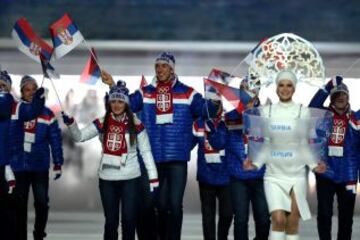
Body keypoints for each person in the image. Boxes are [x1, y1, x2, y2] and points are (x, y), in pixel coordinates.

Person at [101, 52, 218, 240]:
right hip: (152, 159)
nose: (160, 69)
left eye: (164, 66)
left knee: (173, 206)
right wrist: (113, 85)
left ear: (172, 69)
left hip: (177, 159)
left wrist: (215, 97)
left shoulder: (188, 93)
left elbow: (206, 110)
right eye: (157, 66)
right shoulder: (145, 92)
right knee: (148, 204)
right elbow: (123, 104)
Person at [62, 80, 158, 240]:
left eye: (120, 101)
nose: (116, 104)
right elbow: (79, 137)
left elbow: (146, 151)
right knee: (111, 223)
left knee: (129, 222)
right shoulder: (101, 122)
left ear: (126, 103)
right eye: (113, 101)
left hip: (130, 179)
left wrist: (153, 177)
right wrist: (71, 124)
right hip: (107, 180)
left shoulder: (137, 124)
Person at [244, 70, 326, 240]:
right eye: (281, 85)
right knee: (278, 220)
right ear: (276, 88)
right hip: (273, 176)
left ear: (294, 88)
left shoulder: (302, 111)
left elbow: (303, 144)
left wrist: (313, 165)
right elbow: (266, 144)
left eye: (289, 85)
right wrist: (256, 164)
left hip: (297, 176)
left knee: (292, 222)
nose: (285, 89)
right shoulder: (267, 112)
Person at [208, 76, 270, 240]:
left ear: (257, 92)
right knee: (241, 220)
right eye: (243, 90)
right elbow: (218, 144)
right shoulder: (230, 116)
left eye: (251, 90)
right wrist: (213, 127)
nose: (247, 94)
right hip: (238, 177)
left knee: (263, 219)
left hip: (260, 176)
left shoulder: (266, 115)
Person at [10, 75, 63, 240]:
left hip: (40, 166)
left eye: (34, 89)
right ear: (21, 92)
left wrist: (58, 162)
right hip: (19, 166)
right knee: (19, 205)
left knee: (41, 203)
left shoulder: (47, 114)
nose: (31, 93)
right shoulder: (15, 111)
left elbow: (55, 139)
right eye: (27, 89)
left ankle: (39, 234)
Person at [309, 76, 360, 240]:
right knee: (324, 214)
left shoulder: (356, 119)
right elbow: (312, 105)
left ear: (348, 98)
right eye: (336, 95)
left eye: (343, 95)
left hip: (349, 175)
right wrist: (329, 85)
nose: (340, 98)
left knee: (346, 218)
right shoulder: (322, 115)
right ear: (331, 99)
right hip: (326, 172)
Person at [0, 70, 45, 240]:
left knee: (12, 208)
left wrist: (39, 98)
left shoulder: (15, 105)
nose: (0, 87)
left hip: (10, 164)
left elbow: (32, 110)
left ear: (10, 88)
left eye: (3, 85)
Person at [192, 104, 233, 240]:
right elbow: (187, 144)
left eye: (217, 102)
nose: (214, 105)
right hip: (206, 175)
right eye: (211, 102)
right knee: (208, 216)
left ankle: (222, 237)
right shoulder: (198, 123)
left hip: (226, 174)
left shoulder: (229, 121)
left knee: (227, 213)